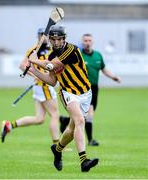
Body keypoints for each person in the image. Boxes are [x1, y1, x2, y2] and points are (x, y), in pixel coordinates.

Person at [28, 25, 99, 172]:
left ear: (64, 39)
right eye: (52, 39)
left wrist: (35, 60)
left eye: (58, 39)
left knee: (72, 129)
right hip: (68, 93)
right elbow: (52, 81)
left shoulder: (71, 50)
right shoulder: (52, 55)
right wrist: (34, 71)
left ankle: (57, 149)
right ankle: (84, 161)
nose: (55, 42)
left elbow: (51, 65)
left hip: (85, 93)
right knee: (80, 121)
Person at [59, 33, 121, 146]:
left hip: (94, 88)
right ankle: (90, 140)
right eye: (85, 40)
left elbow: (104, 69)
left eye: (89, 40)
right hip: (80, 89)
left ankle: (65, 120)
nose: (87, 43)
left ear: (93, 42)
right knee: (89, 115)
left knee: (82, 115)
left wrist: (114, 77)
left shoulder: (98, 55)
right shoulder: (77, 55)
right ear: (82, 42)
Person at [1, 28, 59, 145]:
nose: (44, 37)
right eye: (41, 35)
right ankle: (58, 146)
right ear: (38, 36)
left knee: (39, 119)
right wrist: (35, 75)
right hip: (44, 86)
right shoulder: (34, 50)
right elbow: (22, 66)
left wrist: (35, 75)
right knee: (54, 115)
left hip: (40, 87)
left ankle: (9, 125)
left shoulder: (49, 49)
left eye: (45, 35)